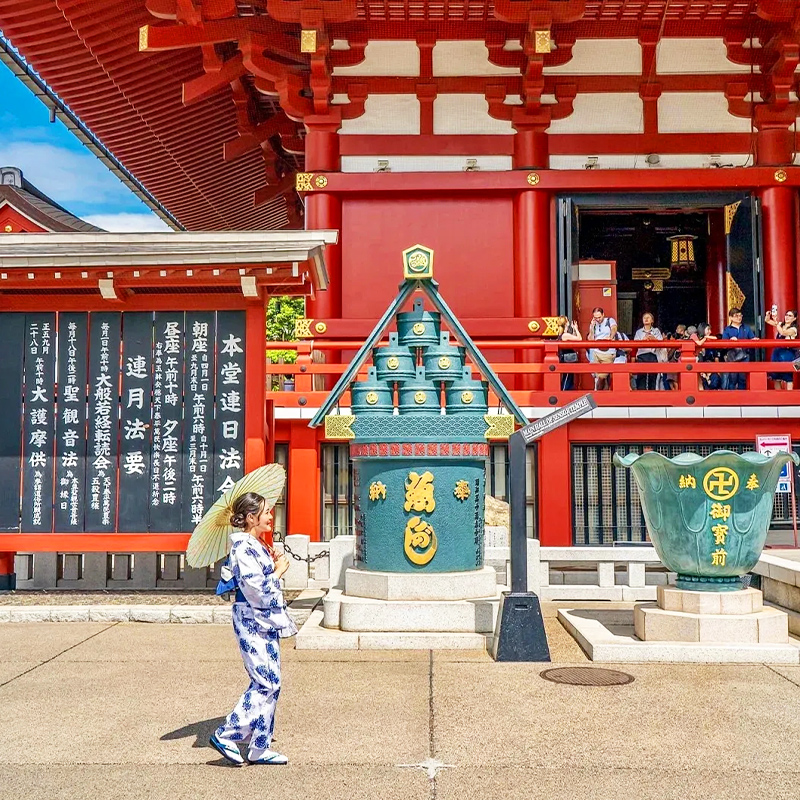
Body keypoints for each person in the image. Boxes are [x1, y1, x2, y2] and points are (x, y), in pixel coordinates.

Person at [210, 492, 297, 766]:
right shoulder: (243, 548)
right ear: (250, 518)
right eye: (266, 512)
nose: (271, 516)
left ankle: (259, 746)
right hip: (252, 620)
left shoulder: (254, 545)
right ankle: (227, 733)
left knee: (273, 682)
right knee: (265, 682)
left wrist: (272, 562)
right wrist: (278, 570)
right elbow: (257, 590)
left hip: (262, 621)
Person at [721, 307, 756, 390]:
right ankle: (731, 399)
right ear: (731, 317)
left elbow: (752, 338)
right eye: (736, 316)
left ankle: (743, 399)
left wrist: (754, 340)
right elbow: (723, 344)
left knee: (742, 378)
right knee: (732, 379)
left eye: (740, 315)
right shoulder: (727, 330)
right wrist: (730, 341)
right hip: (732, 355)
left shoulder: (746, 327)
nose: (739, 318)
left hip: (744, 355)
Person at [766, 308, 798, 390]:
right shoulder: (781, 324)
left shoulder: (794, 329)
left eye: (790, 316)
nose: (787, 317)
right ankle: (778, 398)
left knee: (788, 377)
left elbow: (783, 332)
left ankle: (789, 398)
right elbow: (768, 321)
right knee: (776, 377)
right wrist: (768, 315)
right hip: (777, 352)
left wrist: (777, 323)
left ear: (794, 318)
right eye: (786, 315)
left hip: (787, 353)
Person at [587, 307, 618, 390]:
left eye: (599, 317)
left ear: (603, 315)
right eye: (595, 317)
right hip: (596, 352)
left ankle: (598, 394)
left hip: (608, 352)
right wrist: (592, 328)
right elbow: (590, 339)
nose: (598, 319)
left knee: (602, 376)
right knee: (596, 376)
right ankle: (601, 393)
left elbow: (614, 329)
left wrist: (610, 337)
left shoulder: (609, 320)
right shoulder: (593, 324)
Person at [633, 312, 663, 390]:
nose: (646, 319)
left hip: (653, 355)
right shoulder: (639, 332)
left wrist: (653, 339)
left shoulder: (656, 331)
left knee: (652, 376)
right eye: (644, 318)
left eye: (648, 317)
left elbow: (661, 343)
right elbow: (634, 344)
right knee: (641, 377)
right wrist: (643, 340)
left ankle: (652, 393)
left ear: (652, 321)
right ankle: (641, 393)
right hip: (642, 355)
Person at [691, 322, 721, 390]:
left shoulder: (705, 338)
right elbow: (699, 343)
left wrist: (706, 337)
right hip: (692, 359)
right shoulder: (694, 335)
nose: (710, 331)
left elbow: (715, 338)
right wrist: (705, 338)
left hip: (699, 360)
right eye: (708, 329)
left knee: (701, 380)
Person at [556, 316, 582, 390]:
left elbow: (573, 338)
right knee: (568, 377)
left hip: (565, 357)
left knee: (567, 377)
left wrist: (574, 329)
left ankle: (566, 391)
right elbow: (579, 339)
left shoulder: (562, 335)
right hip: (567, 359)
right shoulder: (565, 335)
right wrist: (576, 329)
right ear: (566, 323)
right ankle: (564, 393)